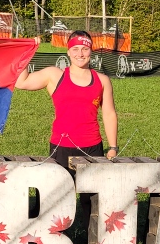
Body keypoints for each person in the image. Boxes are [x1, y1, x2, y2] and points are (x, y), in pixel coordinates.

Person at [15, 30, 118, 169]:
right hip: (61, 146)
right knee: (61, 190)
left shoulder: (102, 80)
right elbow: (22, 82)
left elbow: (109, 114)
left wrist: (113, 147)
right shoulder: (54, 75)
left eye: (85, 49)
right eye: (75, 49)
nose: (80, 54)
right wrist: (28, 50)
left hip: (92, 147)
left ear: (91, 51)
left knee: (91, 191)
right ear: (68, 51)